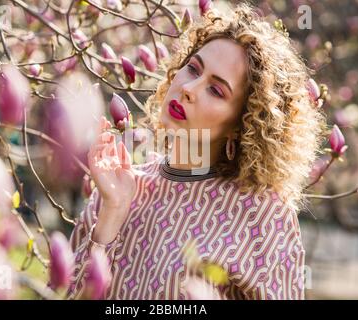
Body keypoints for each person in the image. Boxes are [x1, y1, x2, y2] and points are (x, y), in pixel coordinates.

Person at [67, 3, 327, 300]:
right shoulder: (119, 186)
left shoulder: (263, 216)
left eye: (216, 90)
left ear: (242, 124)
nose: (190, 87)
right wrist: (112, 213)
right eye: (193, 68)